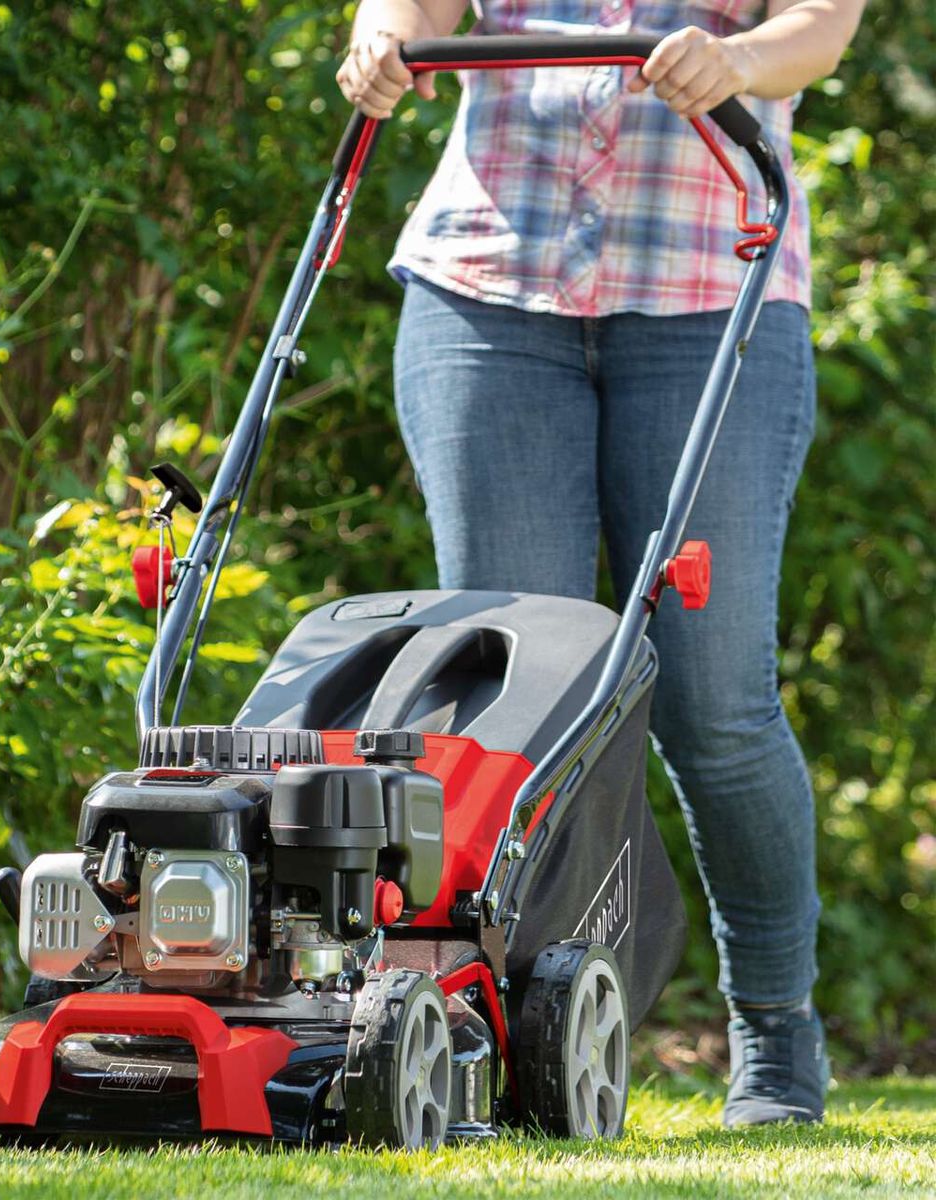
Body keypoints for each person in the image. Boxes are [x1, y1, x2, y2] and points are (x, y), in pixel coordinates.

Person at [338, 0, 865, 1127]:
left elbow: (821, 27)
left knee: (716, 704)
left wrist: (733, 60)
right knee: (504, 707)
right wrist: (385, 32)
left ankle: (775, 1037)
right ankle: (497, 1029)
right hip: (488, 287)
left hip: (713, 284)